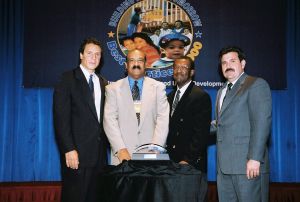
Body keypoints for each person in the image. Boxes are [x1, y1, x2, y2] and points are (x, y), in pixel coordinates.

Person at [53, 37, 108, 202]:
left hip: (99, 157)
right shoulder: (67, 79)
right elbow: (60, 118)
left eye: (97, 54)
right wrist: (68, 149)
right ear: (81, 55)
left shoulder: (103, 83)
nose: (94, 58)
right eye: (90, 53)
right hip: (76, 155)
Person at [214, 46, 272, 202]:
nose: (228, 65)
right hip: (224, 168)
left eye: (232, 61)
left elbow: (261, 124)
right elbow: (221, 124)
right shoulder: (221, 92)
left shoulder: (255, 84)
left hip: (247, 166)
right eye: (224, 63)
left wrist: (254, 159)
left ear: (243, 63)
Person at [103, 49, 169, 165]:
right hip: (122, 156)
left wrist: (155, 149)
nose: (136, 64)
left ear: (145, 64)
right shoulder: (112, 89)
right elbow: (109, 121)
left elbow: (163, 120)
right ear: (126, 65)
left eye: (140, 60)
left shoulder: (158, 88)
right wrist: (120, 149)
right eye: (132, 61)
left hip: (151, 156)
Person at [166, 56, 211, 201]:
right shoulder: (170, 96)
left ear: (192, 72)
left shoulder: (200, 96)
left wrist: (187, 160)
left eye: (184, 68)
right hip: (171, 164)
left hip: (190, 165)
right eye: (176, 67)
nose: (179, 71)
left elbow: (201, 134)